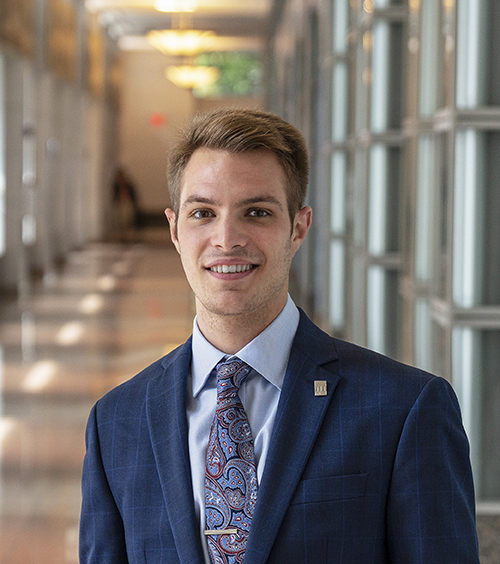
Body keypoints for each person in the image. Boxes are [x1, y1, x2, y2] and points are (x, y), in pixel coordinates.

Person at [80, 109, 479, 563]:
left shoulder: (404, 408)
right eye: (203, 213)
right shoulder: (116, 422)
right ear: (174, 229)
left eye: (256, 212)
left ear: (298, 227)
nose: (226, 238)